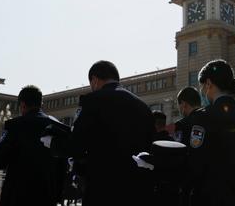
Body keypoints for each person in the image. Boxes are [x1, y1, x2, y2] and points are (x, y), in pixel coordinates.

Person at [45, 60, 155, 206]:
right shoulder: (143, 107)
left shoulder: (93, 100)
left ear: (94, 80)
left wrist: (53, 143)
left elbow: (77, 146)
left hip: (102, 188)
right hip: (136, 190)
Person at [186, 59, 235, 206]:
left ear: (208, 83)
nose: (202, 91)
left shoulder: (202, 117)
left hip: (210, 198)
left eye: (202, 86)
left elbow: (195, 164)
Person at [0, 85, 66, 206]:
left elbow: (0, 160)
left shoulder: (14, 125)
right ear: (40, 103)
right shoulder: (56, 127)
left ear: (22, 104)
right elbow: (62, 165)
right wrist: (57, 196)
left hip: (18, 194)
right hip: (46, 196)